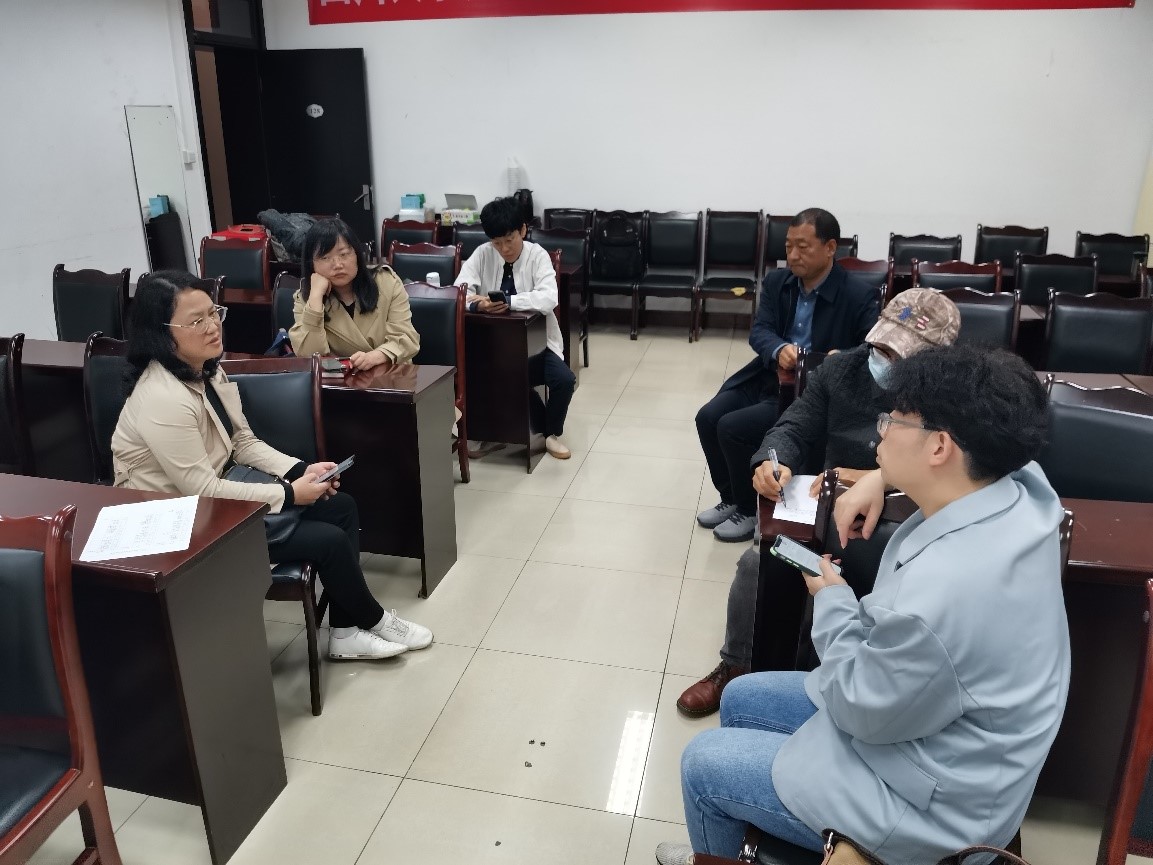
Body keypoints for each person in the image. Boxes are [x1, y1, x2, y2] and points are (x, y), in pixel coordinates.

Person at [658, 344, 1069, 865]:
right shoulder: (1025, 489)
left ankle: (718, 835)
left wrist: (831, 597)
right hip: (945, 743)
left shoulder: (945, 594)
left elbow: (859, 706)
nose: (880, 432)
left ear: (939, 447)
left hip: (932, 809)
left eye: (893, 420)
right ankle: (730, 841)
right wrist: (882, 475)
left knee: (703, 764)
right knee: (741, 697)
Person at [112, 270, 433, 660]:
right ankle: (374, 619)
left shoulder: (205, 368)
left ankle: (346, 633)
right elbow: (202, 490)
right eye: (197, 321)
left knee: (341, 507)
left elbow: (242, 442)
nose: (213, 326)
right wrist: (289, 493)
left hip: (218, 499)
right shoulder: (162, 397)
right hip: (178, 520)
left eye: (213, 313)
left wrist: (300, 471)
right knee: (328, 541)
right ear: (161, 333)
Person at [677, 289, 961, 717]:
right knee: (760, 562)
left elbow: (956, 478)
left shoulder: (954, 398)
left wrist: (876, 478)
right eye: (881, 347)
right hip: (825, 516)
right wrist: (773, 461)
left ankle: (838, 683)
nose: (883, 360)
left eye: (898, 355)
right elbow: (792, 425)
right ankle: (738, 664)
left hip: (906, 534)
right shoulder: (842, 370)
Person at [696, 208, 878, 543]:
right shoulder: (779, 282)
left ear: (830, 247)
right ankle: (732, 497)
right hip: (770, 375)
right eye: (788, 246)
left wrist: (841, 358)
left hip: (808, 390)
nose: (793, 255)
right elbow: (760, 331)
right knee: (708, 417)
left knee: (733, 427)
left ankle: (751, 510)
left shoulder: (859, 293)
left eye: (803, 247)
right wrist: (778, 348)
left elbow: (871, 348)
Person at [455, 196, 576, 460]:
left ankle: (550, 433)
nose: (504, 248)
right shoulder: (483, 254)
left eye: (509, 240)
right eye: (497, 243)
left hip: (536, 344)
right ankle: (492, 434)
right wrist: (478, 305)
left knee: (564, 380)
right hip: (493, 347)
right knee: (501, 375)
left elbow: (549, 297)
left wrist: (509, 302)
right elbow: (459, 292)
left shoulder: (537, 256)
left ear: (522, 230)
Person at [290, 217, 419, 368]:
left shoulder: (386, 282)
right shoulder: (307, 297)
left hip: (390, 373)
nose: (337, 265)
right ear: (311, 264)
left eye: (344, 254)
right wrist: (316, 298)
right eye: (325, 257)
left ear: (357, 254)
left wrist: (376, 357)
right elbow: (309, 355)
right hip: (342, 379)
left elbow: (407, 338)